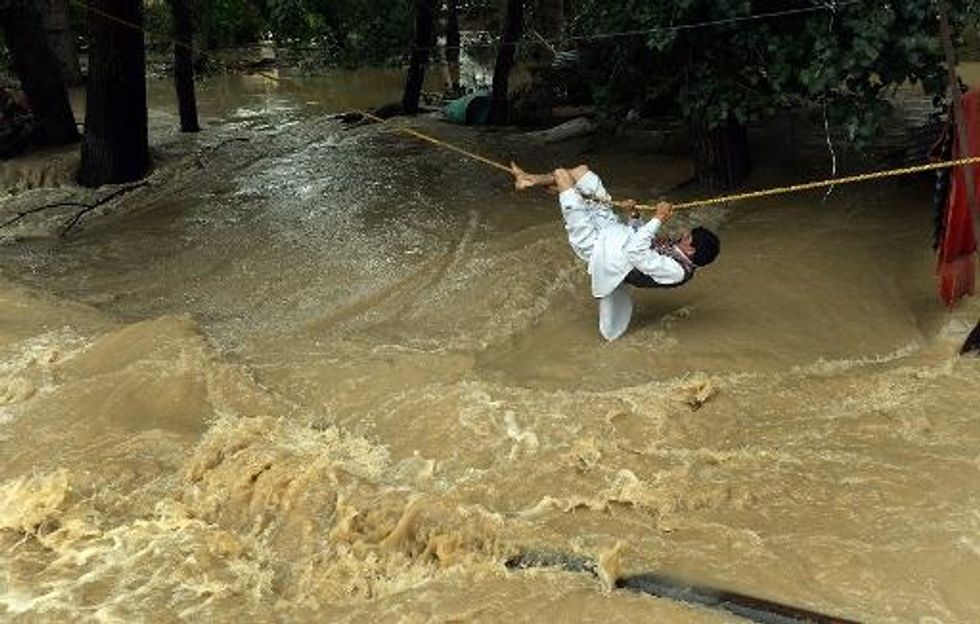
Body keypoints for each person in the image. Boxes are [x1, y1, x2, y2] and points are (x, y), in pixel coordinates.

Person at [511, 162, 719, 340]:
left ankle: (540, 183)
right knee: (582, 172)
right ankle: (529, 180)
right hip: (612, 230)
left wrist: (658, 219)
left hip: (597, 248)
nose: (682, 235)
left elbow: (635, 253)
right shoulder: (675, 252)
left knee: (562, 176)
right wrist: (634, 216)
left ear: (691, 250)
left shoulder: (676, 271)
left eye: (687, 237)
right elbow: (640, 240)